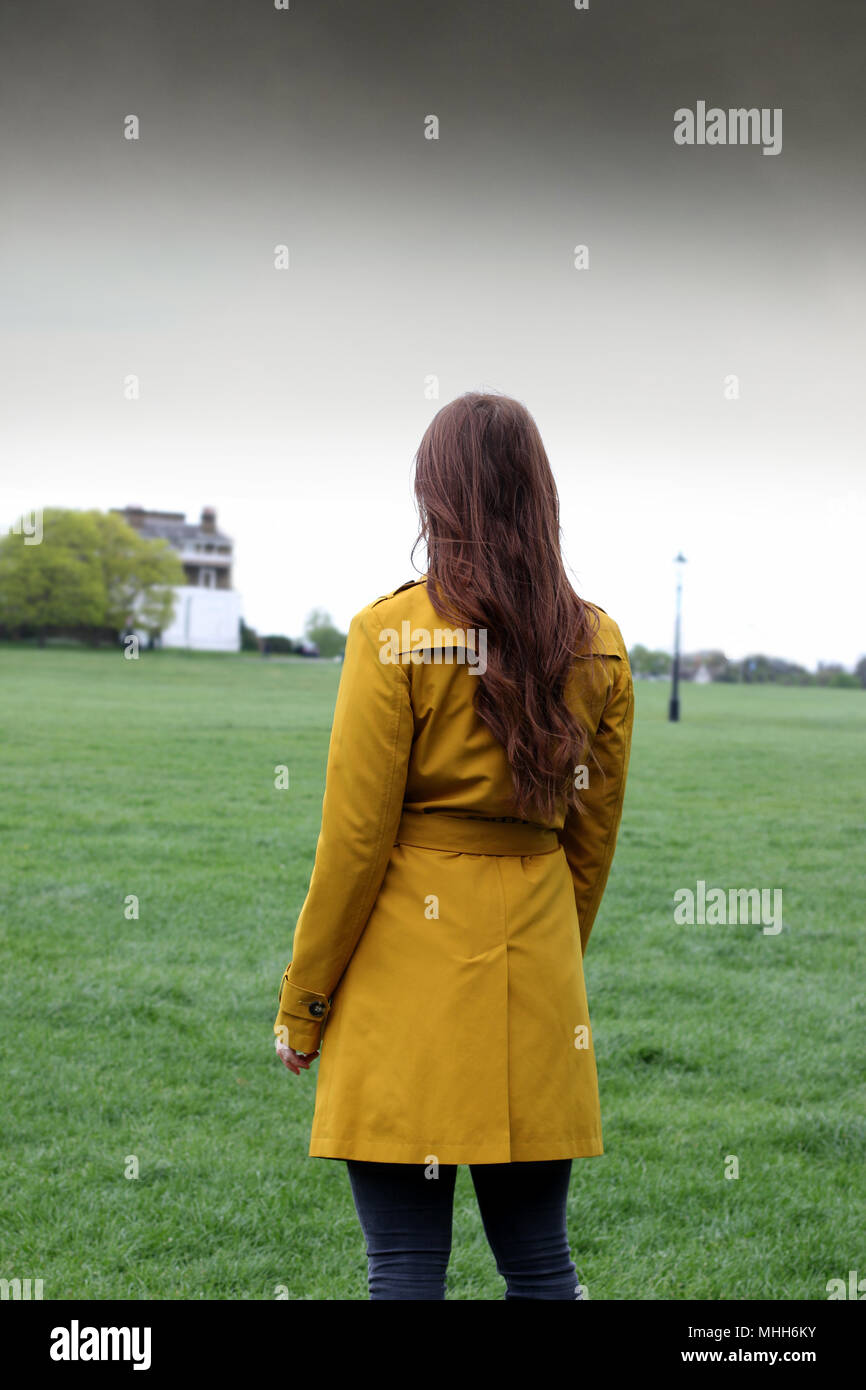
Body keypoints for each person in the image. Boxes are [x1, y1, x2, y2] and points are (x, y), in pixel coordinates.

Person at [273, 391, 634, 1300]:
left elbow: (355, 843)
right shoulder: (600, 645)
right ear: (538, 495)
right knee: (542, 1267)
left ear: (436, 496)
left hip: (407, 986)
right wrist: (551, 959)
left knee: (402, 1268)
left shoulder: (389, 635)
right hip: (538, 982)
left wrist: (305, 1005)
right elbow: (589, 846)